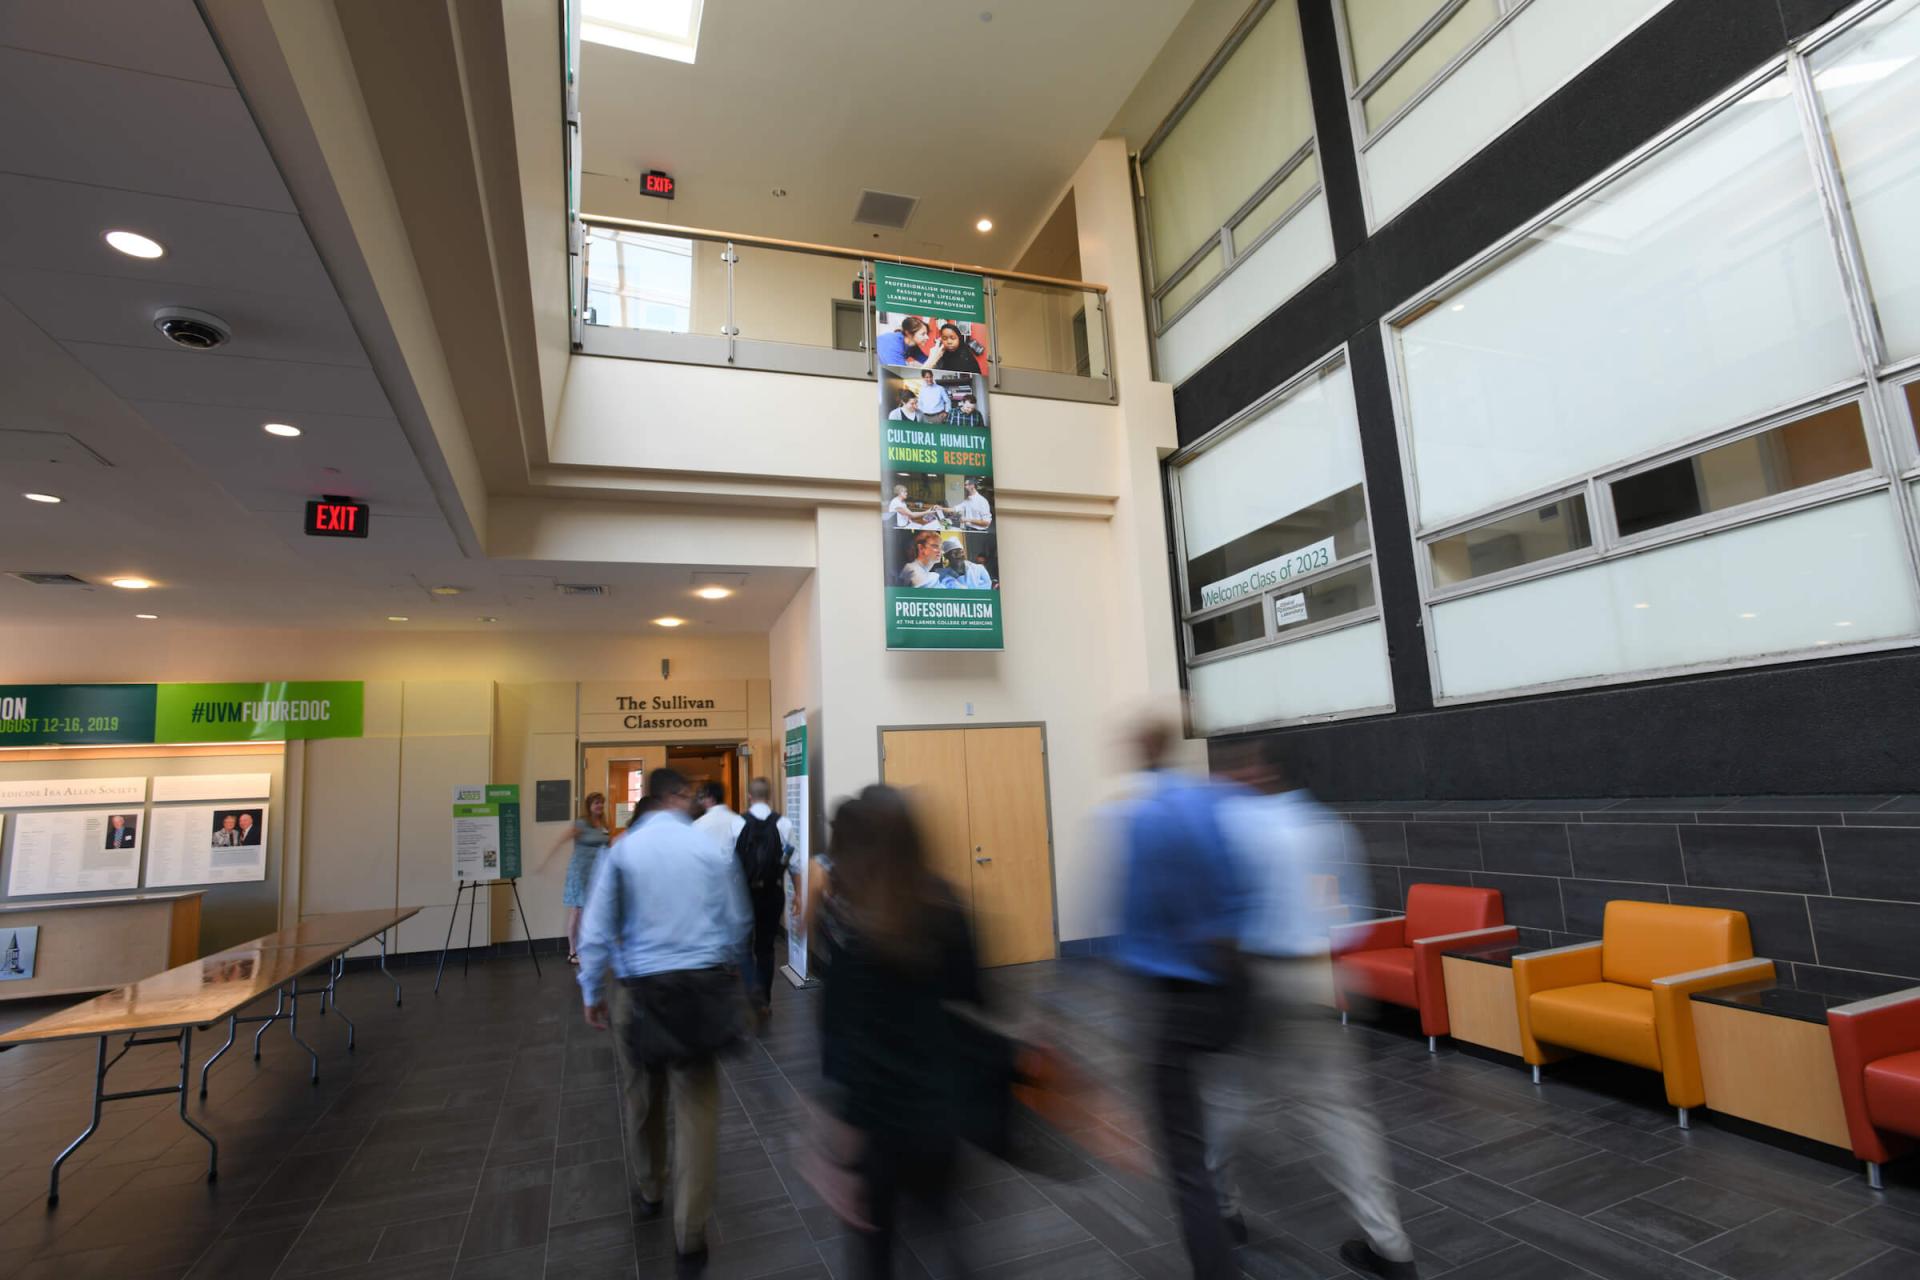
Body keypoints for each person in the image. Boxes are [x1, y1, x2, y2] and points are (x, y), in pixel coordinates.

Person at [1213, 739, 1418, 1279]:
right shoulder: (1331, 829)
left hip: (1254, 975)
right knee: (1341, 1115)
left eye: (1243, 765)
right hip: (1318, 977)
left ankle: (1221, 1211)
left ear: (1263, 771)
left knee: (1227, 1095)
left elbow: (1216, 911)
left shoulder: (1235, 825)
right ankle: (1390, 1245)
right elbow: (1348, 920)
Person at [578, 768, 750, 1278]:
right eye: (690, 794)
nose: (695, 801)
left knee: (641, 1095)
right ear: (673, 797)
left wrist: (592, 990)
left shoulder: (623, 851)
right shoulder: (707, 850)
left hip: (638, 991)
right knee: (697, 1110)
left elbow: (596, 926)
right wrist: (724, 964)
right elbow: (738, 921)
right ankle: (690, 1234)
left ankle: (650, 1186)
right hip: (698, 990)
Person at [816, 785, 982, 1278]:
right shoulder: (947, 904)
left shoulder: (849, 923)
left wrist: (838, 1139)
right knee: (946, 1236)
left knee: (876, 1254)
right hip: (941, 1113)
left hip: (878, 1128)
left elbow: (840, 1038)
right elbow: (976, 998)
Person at [1113, 716, 1250, 1280]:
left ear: (1141, 749)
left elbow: (1137, 915)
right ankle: (1230, 1207)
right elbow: (1238, 889)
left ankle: (1217, 1264)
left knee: (1182, 1148)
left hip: (1171, 997)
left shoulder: (1143, 818)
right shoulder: (1208, 802)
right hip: (1224, 986)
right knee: (1226, 1100)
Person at [733, 778, 795, 1019]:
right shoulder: (784, 823)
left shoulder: (737, 822)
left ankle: (752, 989)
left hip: (744, 893)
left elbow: (729, 863)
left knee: (744, 947)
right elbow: (794, 863)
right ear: (769, 795)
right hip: (772, 892)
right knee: (766, 948)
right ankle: (766, 1002)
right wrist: (798, 894)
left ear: (749, 795)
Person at [540, 791, 610, 965]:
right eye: (596, 803)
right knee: (577, 911)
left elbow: (609, 846)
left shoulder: (603, 824)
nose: (600, 806)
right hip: (579, 872)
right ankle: (572, 951)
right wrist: (546, 861)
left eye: (601, 803)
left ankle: (590, 947)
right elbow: (562, 839)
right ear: (589, 806)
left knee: (593, 911)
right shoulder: (581, 823)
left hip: (596, 873)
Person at [689, 781, 738, 854]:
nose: (700, 802)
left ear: (711, 799)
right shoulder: (738, 820)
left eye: (702, 797)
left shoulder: (697, 824)